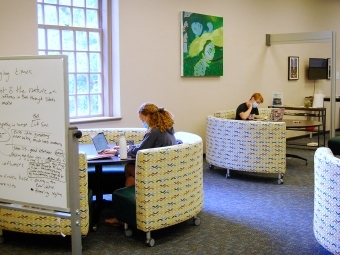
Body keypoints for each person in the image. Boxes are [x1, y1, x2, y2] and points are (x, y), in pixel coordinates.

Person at [104, 102, 177, 226]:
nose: (142, 122)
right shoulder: (166, 130)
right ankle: (127, 214)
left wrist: (117, 152)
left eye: (142, 119)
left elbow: (138, 151)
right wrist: (127, 147)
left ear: (148, 116)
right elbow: (143, 146)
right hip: (166, 172)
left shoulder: (154, 132)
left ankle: (126, 213)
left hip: (156, 175)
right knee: (131, 175)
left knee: (129, 168)